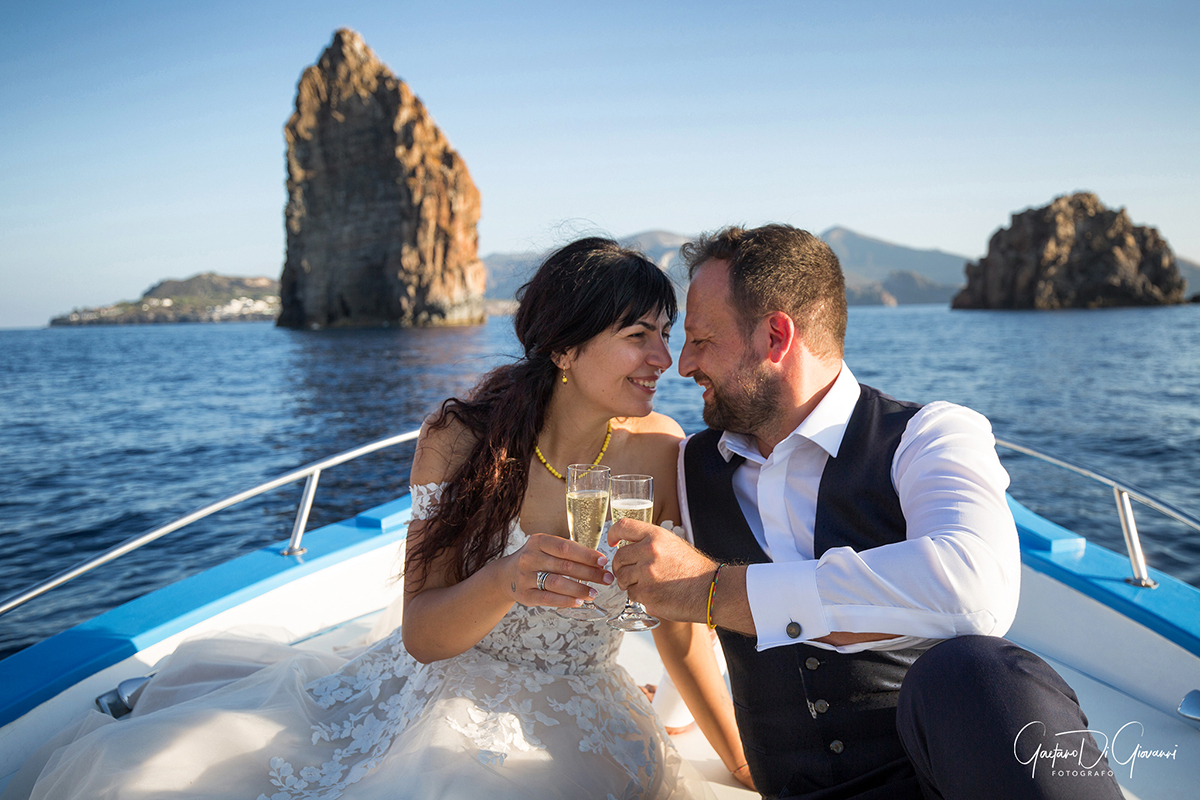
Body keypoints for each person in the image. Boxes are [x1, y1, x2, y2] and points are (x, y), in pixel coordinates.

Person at [4, 238, 749, 800]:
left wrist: (740, 758)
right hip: (440, 692)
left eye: (667, 331)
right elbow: (424, 636)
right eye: (639, 335)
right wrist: (500, 581)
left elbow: (675, 623)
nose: (667, 357)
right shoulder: (459, 442)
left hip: (586, 711)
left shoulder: (662, 452)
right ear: (564, 347)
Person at [609, 224, 1124, 800]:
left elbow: (977, 587)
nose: (683, 364)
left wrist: (717, 591)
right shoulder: (687, 466)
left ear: (776, 336)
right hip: (797, 791)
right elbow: (676, 615)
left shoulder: (929, 436)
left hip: (946, 781)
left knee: (977, 670)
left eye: (701, 340)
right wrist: (708, 737)